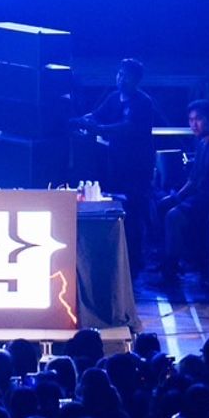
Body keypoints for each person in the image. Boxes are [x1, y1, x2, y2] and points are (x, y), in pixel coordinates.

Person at [72, 59, 156, 273]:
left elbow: (128, 127)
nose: (121, 79)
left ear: (136, 79)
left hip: (137, 167)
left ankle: (136, 260)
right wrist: (81, 120)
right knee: (118, 206)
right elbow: (97, 114)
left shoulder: (143, 102)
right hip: (116, 164)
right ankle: (119, 255)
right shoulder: (113, 98)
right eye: (120, 74)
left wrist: (100, 128)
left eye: (126, 75)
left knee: (135, 210)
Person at [156, 100, 209, 277]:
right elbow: (193, 178)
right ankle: (168, 258)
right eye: (191, 120)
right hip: (202, 197)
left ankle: (171, 271)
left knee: (174, 216)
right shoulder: (202, 143)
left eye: (198, 119)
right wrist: (176, 197)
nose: (194, 124)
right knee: (162, 205)